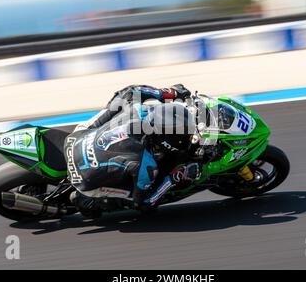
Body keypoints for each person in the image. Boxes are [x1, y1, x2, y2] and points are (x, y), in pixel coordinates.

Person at [65, 84, 204, 216]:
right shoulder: (146, 164)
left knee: (116, 105)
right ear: (168, 143)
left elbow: (131, 90)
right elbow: (144, 202)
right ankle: (92, 201)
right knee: (133, 196)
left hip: (75, 139)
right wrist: (175, 177)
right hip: (83, 179)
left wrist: (166, 93)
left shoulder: (137, 109)